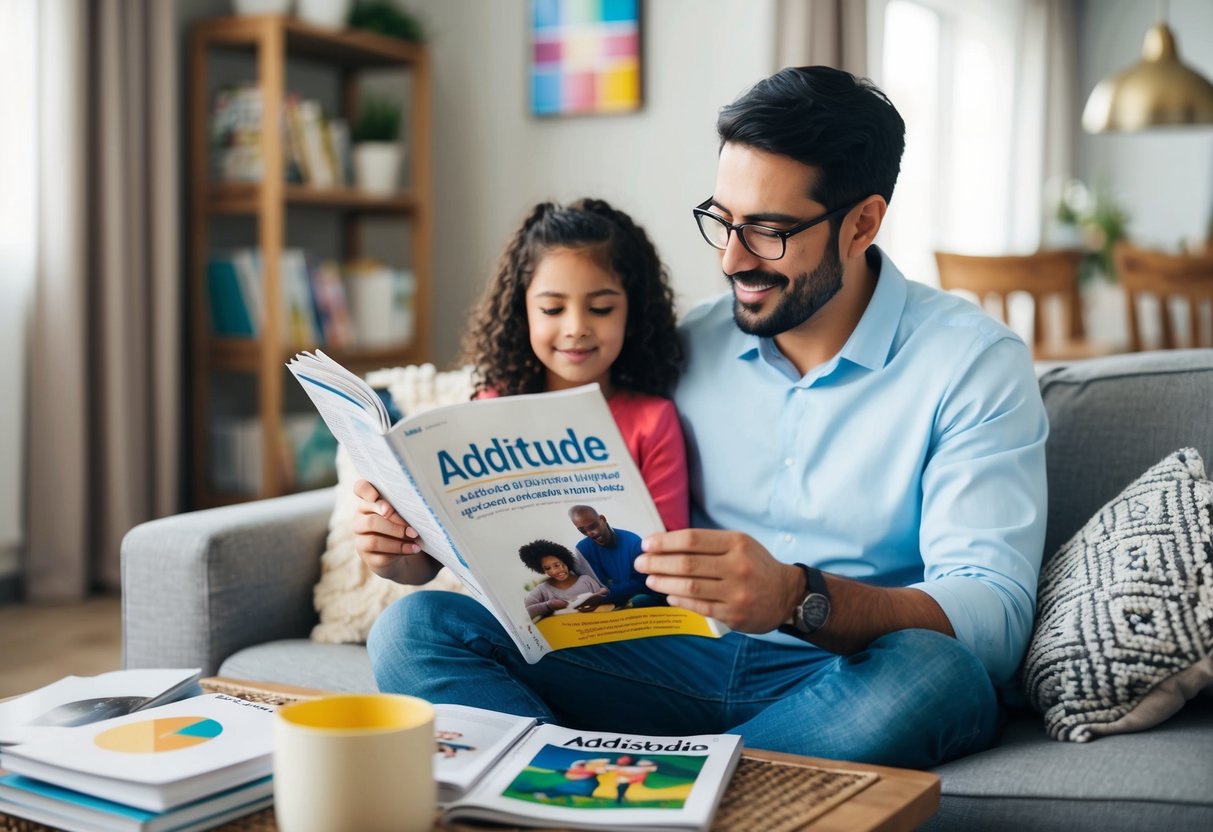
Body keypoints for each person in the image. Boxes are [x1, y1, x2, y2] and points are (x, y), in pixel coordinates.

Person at [358, 67, 1047, 770]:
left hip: (839, 675)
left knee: (940, 677)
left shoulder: (971, 362)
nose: (730, 258)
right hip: (669, 659)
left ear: (862, 223)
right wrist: (417, 544)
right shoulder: (685, 345)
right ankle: (666, 785)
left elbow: (992, 619)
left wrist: (796, 597)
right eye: (722, 220)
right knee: (414, 630)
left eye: (769, 231)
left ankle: (639, 784)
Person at [565, 505, 659, 611]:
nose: (590, 533)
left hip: (634, 598)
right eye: (583, 531)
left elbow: (642, 581)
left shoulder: (633, 541)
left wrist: (604, 597)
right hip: (605, 605)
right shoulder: (582, 549)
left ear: (603, 520)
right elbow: (587, 583)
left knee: (641, 600)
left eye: (593, 526)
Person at [519, 539, 608, 618]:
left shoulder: (586, 581)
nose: (554, 572)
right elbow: (525, 612)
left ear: (566, 561)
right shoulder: (542, 589)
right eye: (547, 568)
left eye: (557, 565)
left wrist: (600, 596)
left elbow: (604, 602)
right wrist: (548, 606)